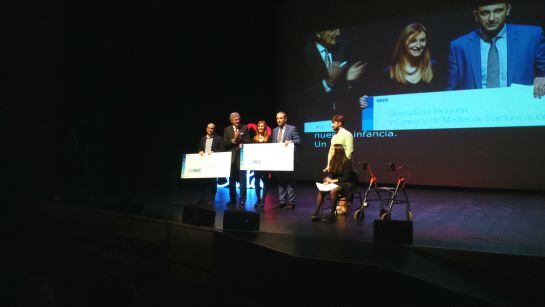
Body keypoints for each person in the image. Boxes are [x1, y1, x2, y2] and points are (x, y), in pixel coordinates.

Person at [447, 1, 545, 98]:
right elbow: (451, 93)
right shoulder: (459, 46)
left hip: (520, 108)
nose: (491, 18)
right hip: (477, 110)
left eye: (498, 11)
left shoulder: (531, 37)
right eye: (485, 13)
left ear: (508, 10)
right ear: (476, 15)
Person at [359, 23, 443, 108]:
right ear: (403, 42)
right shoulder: (389, 74)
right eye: (413, 41)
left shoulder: (435, 68)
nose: (418, 45)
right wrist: (366, 102)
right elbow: (380, 105)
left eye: (422, 40)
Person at [305, 28, 366, 120]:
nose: (338, 33)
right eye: (332, 30)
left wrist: (349, 81)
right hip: (317, 118)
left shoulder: (345, 46)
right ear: (318, 33)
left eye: (338, 29)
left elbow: (358, 85)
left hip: (346, 115)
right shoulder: (306, 53)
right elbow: (301, 96)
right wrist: (328, 81)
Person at [312, 144, 354, 223]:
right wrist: (327, 181)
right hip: (336, 183)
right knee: (322, 190)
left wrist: (333, 181)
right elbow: (331, 175)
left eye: (332, 150)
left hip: (346, 184)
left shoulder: (346, 161)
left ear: (338, 152)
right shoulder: (332, 161)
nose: (330, 152)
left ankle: (332, 215)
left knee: (333, 190)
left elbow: (347, 178)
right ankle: (316, 213)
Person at [271, 111, 301, 209]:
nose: (279, 120)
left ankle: (292, 203)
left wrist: (291, 141)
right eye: (277, 118)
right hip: (278, 160)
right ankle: (282, 202)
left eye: (281, 118)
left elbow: (298, 141)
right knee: (280, 181)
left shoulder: (292, 128)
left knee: (289, 182)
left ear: (285, 119)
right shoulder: (275, 130)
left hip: (288, 160)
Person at [223, 112, 250, 206]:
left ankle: (243, 199)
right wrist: (234, 139)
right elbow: (225, 144)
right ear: (231, 120)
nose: (238, 121)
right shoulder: (227, 129)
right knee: (231, 180)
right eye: (235, 119)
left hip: (242, 157)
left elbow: (248, 141)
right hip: (231, 158)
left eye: (239, 119)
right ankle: (232, 199)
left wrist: (241, 139)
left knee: (243, 180)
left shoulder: (244, 128)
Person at [198, 123, 224, 205]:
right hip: (204, 163)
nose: (210, 130)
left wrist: (214, 152)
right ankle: (202, 198)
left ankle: (212, 199)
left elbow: (222, 150)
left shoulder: (219, 138)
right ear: (206, 129)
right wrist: (200, 151)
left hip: (213, 163)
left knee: (213, 182)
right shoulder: (203, 138)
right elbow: (200, 148)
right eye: (209, 128)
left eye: (212, 128)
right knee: (203, 181)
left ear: (214, 130)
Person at [252, 120, 270, 208]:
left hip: (265, 163)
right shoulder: (254, 138)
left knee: (265, 182)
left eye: (262, 126)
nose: (260, 128)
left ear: (265, 127)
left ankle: (263, 200)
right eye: (259, 126)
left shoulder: (268, 138)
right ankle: (258, 199)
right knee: (256, 182)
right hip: (257, 163)